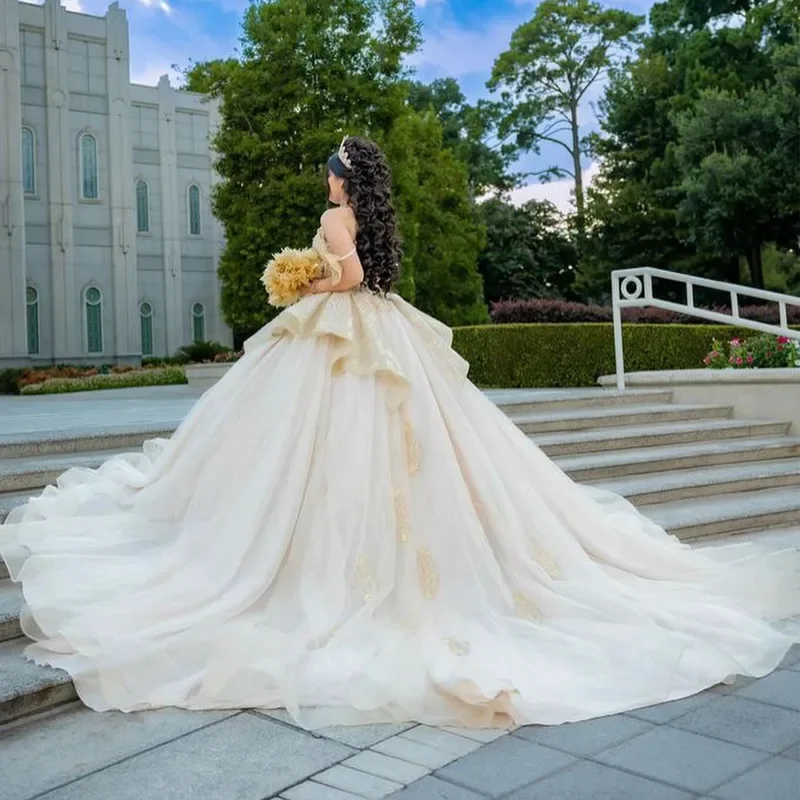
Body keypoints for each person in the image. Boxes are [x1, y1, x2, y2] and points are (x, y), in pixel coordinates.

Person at [1, 136, 798, 730]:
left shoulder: (333, 219)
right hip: (383, 328)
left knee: (317, 445)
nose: (326, 178)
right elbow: (371, 275)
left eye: (331, 169)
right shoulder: (377, 220)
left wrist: (305, 274)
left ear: (344, 180)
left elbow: (345, 278)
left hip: (345, 326)